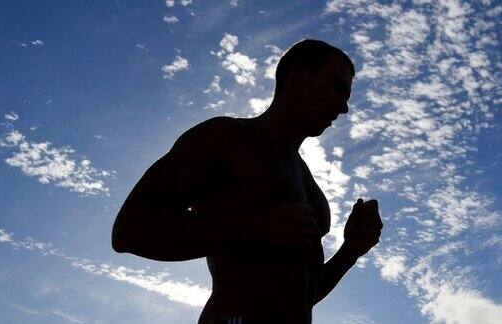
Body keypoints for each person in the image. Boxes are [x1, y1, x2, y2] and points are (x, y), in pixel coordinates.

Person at [111, 39, 383, 324]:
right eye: (338, 88)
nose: (344, 108)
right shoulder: (227, 139)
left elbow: (299, 295)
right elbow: (129, 231)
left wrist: (351, 250)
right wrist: (255, 227)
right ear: (302, 75)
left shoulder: (308, 184)